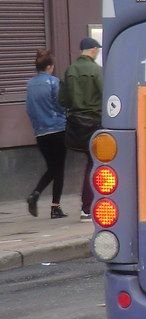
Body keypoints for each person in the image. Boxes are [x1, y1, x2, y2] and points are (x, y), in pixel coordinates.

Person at [60, 37, 103, 221]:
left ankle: (88, 207)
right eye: (97, 50)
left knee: (90, 162)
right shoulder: (96, 70)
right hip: (95, 122)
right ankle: (88, 207)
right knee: (96, 164)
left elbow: (62, 100)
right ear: (93, 50)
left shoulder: (70, 70)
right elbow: (106, 94)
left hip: (76, 124)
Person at [25, 49, 68, 219]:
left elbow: (29, 109)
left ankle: (36, 194)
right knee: (59, 169)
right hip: (57, 129)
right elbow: (60, 104)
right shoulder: (53, 82)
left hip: (40, 133)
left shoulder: (30, 84)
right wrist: (64, 116)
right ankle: (55, 207)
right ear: (49, 66)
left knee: (52, 167)